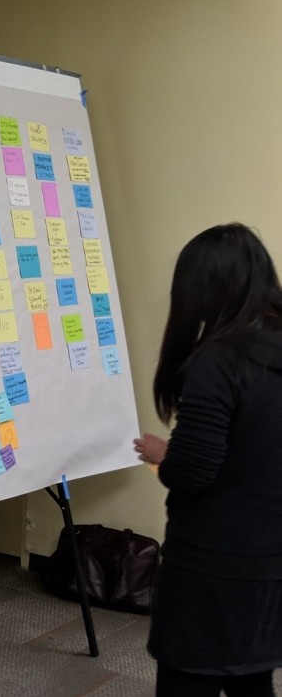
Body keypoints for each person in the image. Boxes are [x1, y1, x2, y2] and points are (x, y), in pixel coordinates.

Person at [133, 223, 282, 697]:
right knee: (252, 676)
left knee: (187, 679)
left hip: (212, 566)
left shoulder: (219, 361)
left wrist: (166, 456)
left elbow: (193, 473)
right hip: (271, 560)